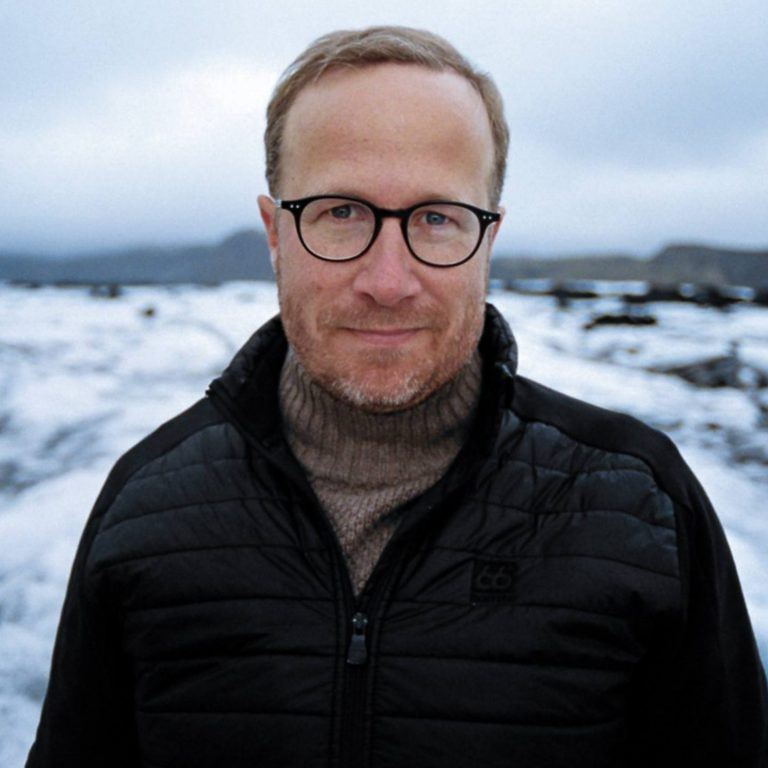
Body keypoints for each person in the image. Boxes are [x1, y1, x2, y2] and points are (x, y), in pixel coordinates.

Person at [27, 25, 767, 768]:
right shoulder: (150, 506)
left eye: (437, 219)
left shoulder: (639, 507)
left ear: (490, 238)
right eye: (341, 212)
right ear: (274, 233)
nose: (387, 281)